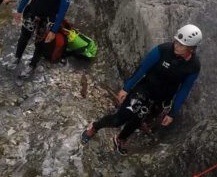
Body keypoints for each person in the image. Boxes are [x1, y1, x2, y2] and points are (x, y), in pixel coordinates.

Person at [81, 25, 202, 155]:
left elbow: (184, 89)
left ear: (191, 49)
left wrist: (172, 113)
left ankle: (120, 139)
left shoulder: (193, 66)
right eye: (176, 41)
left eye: (181, 45)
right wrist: (126, 88)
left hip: (160, 99)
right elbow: (142, 69)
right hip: (144, 91)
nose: (176, 46)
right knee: (119, 119)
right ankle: (94, 127)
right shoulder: (163, 50)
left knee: (137, 121)